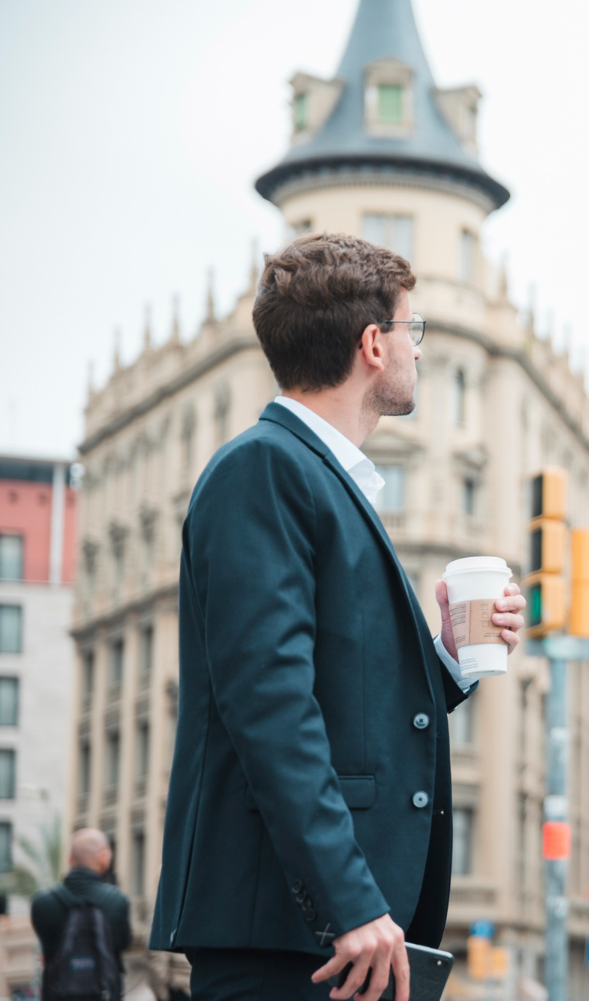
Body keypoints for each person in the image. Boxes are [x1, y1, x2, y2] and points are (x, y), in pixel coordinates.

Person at [147, 232, 526, 1001]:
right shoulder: (264, 468)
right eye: (412, 329)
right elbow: (270, 704)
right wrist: (348, 900)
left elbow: (344, 700)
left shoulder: (320, 477)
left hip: (330, 937)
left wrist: (448, 658)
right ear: (374, 345)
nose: (418, 349)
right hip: (294, 938)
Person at [30, 828, 131, 1000]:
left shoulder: (42, 903)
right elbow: (123, 943)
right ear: (104, 858)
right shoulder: (118, 901)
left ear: (69, 859)